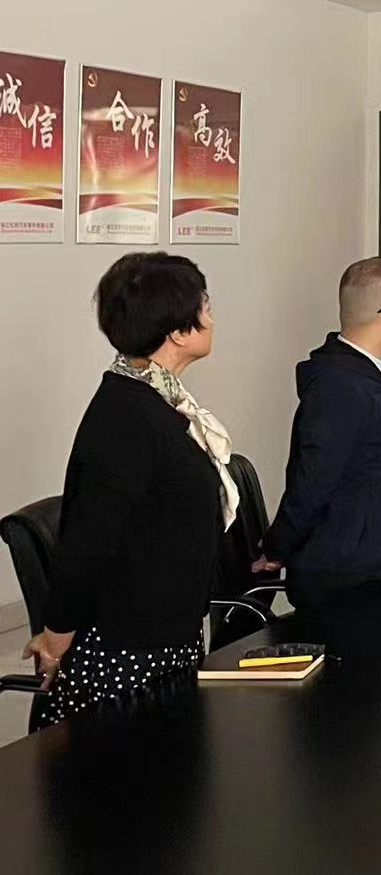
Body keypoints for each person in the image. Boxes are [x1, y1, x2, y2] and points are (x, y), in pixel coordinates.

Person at [25, 252, 235, 724]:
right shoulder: (125, 416)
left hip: (166, 637)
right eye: (205, 307)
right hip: (129, 653)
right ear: (178, 331)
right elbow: (88, 541)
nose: (212, 318)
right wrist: (56, 641)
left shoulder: (158, 398)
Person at [260, 257, 381, 607]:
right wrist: (277, 547)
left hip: (369, 571)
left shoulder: (363, 375)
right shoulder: (341, 387)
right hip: (344, 581)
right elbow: (313, 481)